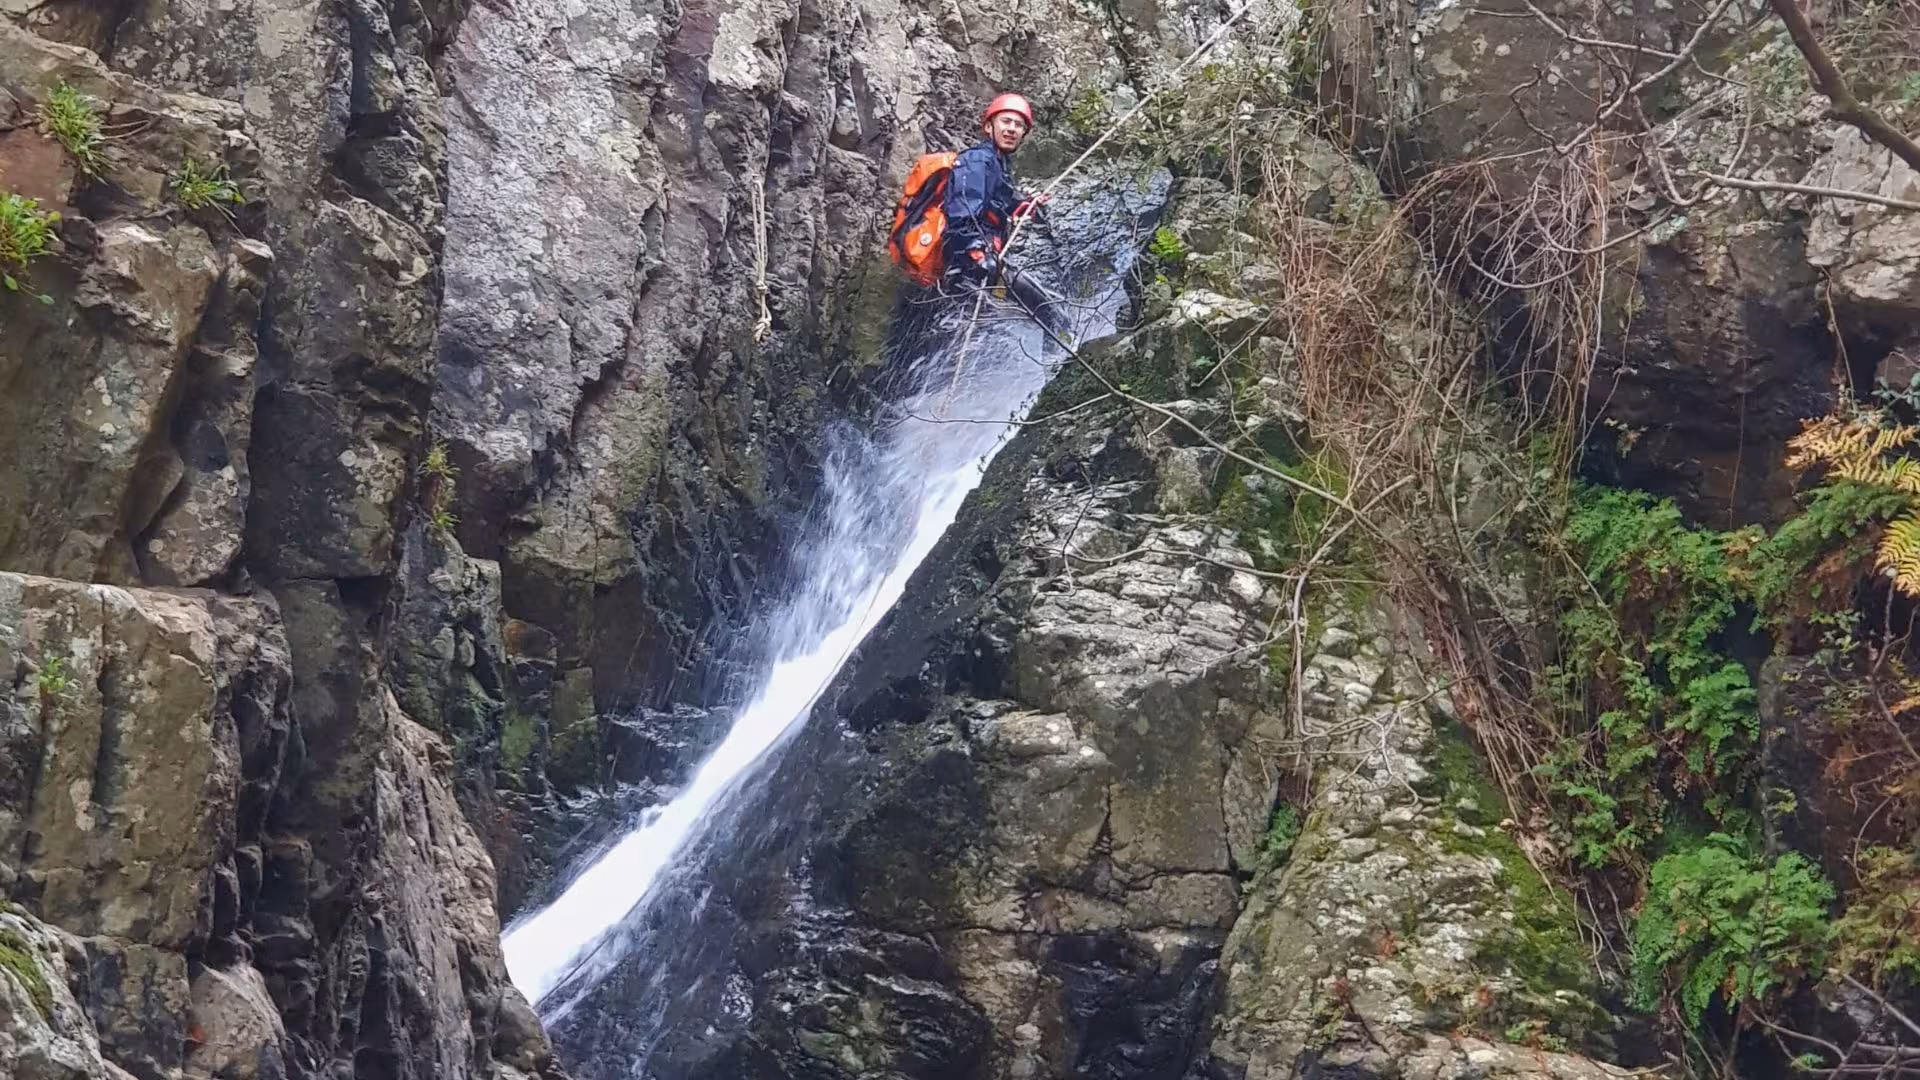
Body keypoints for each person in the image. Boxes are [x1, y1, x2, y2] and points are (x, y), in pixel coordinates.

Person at [941, 92, 1068, 339]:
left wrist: (1026, 205)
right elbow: (962, 212)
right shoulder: (978, 160)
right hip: (972, 264)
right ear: (989, 126)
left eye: (1018, 125)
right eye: (1006, 121)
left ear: (1024, 134)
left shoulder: (997, 164)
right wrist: (976, 252)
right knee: (1050, 312)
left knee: (1043, 312)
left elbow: (1001, 202)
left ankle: (1052, 363)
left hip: (983, 263)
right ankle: (1057, 363)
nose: (1012, 129)